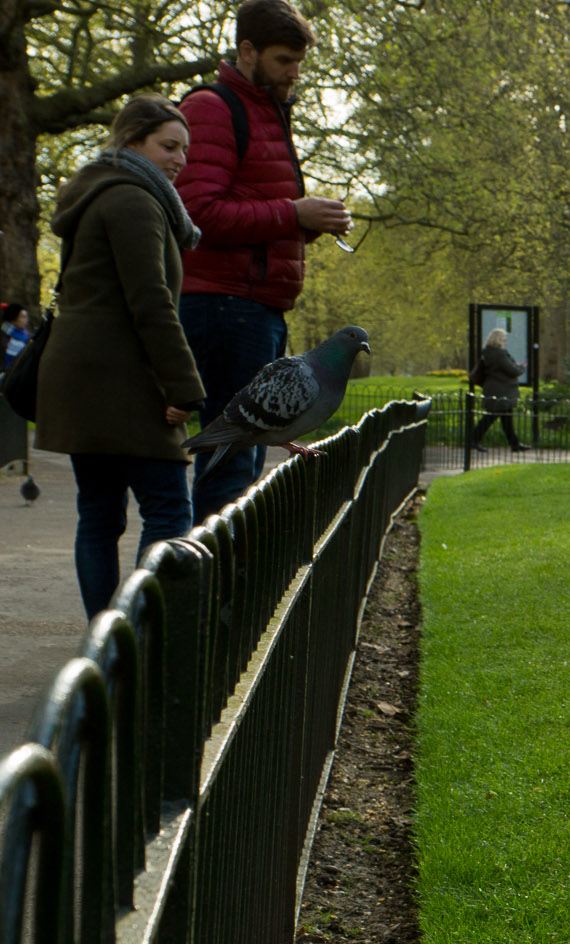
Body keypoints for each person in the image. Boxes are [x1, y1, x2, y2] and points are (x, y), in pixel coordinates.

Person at [176, 0, 350, 521]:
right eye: (282, 60)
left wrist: (307, 225)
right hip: (224, 308)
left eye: (298, 61)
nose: (293, 73)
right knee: (228, 471)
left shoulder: (269, 109)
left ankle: (222, 591)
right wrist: (293, 212)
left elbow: (255, 215)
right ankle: (208, 594)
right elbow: (198, 213)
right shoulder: (213, 108)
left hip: (257, 307)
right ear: (246, 51)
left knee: (242, 470)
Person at [35, 96, 206, 618]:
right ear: (133, 141)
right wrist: (183, 387)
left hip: (80, 374)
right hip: (121, 374)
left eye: (184, 149)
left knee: (100, 513)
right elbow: (150, 301)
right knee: (168, 509)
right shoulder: (134, 199)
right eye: (168, 145)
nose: (179, 159)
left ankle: (103, 643)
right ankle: (142, 641)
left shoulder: (94, 191)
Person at [468, 327, 527, 452]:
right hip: (501, 391)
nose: (505, 341)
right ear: (498, 340)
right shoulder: (499, 354)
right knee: (490, 418)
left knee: (506, 419)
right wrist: (522, 367)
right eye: (503, 339)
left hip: (496, 389)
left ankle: (514, 444)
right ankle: (473, 440)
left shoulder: (489, 353)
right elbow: (512, 370)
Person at [1, 304, 29, 369]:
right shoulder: (5, 337)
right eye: (22, 317)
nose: (26, 320)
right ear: (13, 320)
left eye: (26, 317)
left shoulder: (24, 334)